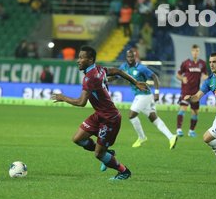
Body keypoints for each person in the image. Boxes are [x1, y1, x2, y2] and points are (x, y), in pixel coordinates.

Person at [51, 46, 147, 180]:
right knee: (78, 139)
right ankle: (107, 152)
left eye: (81, 57)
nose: (78, 60)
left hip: (110, 118)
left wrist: (63, 98)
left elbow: (81, 102)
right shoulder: (99, 69)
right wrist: (135, 82)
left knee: (98, 155)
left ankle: (124, 171)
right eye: (78, 57)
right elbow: (118, 71)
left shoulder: (90, 78)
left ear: (90, 60)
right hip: (100, 114)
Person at [115, 49, 178, 149]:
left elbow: (155, 76)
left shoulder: (141, 68)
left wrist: (157, 92)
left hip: (144, 95)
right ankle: (171, 137)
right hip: (140, 96)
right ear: (126, 57)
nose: (130, 59)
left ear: (135, 57)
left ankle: (142, 137)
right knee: (154, 118)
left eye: (132, 57)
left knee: (131, 115)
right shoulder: (124, 67)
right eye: (128, 57)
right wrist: (104, 79)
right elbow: (116, 76)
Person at [176, 44, 208, 137]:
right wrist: (182, 78)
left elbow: (205, 75)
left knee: (195, 112)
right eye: (194, 51)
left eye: (197, 51)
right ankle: (178, 129)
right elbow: (178, 74)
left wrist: (207, 78)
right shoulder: (185, 63)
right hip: (186, 90)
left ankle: (191, 131)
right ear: (191, 51)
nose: (195, 53)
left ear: (199, 52)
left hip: (196, 92)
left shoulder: (202, 63)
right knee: (183, 109)